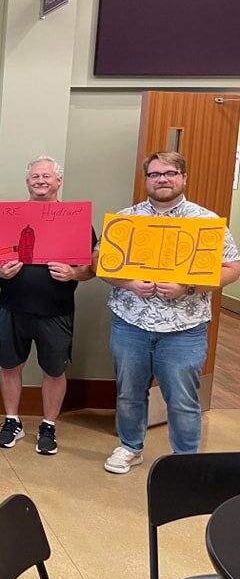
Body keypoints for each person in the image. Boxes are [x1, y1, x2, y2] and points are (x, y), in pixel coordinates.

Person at [100, 151, 240, 474]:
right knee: (129, 392)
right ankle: (130, 447)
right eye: (155, 174)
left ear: (183, 178)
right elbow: (102, 264)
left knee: (182, 399)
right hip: (130, 323)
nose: (162, 179)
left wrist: (187, 286)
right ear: (146, 179)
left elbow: (231, 267)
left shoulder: (205, 222)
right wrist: (131, 283)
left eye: (170, 173)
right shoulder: (126, 219)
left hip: (184, 329)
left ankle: (185, 462)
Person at [0, 156, 96, 456]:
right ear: (27, 181)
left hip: (56, 311)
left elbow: (91, 268)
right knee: (9, 367)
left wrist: (73, 273)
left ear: (59, 181)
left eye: (47, 176)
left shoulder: (75, 218)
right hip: (12, 307)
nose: (40, 180)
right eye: (34, 176)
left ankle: (48, 425)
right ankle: (12, 421)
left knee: (54, 371)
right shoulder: (10, 215)